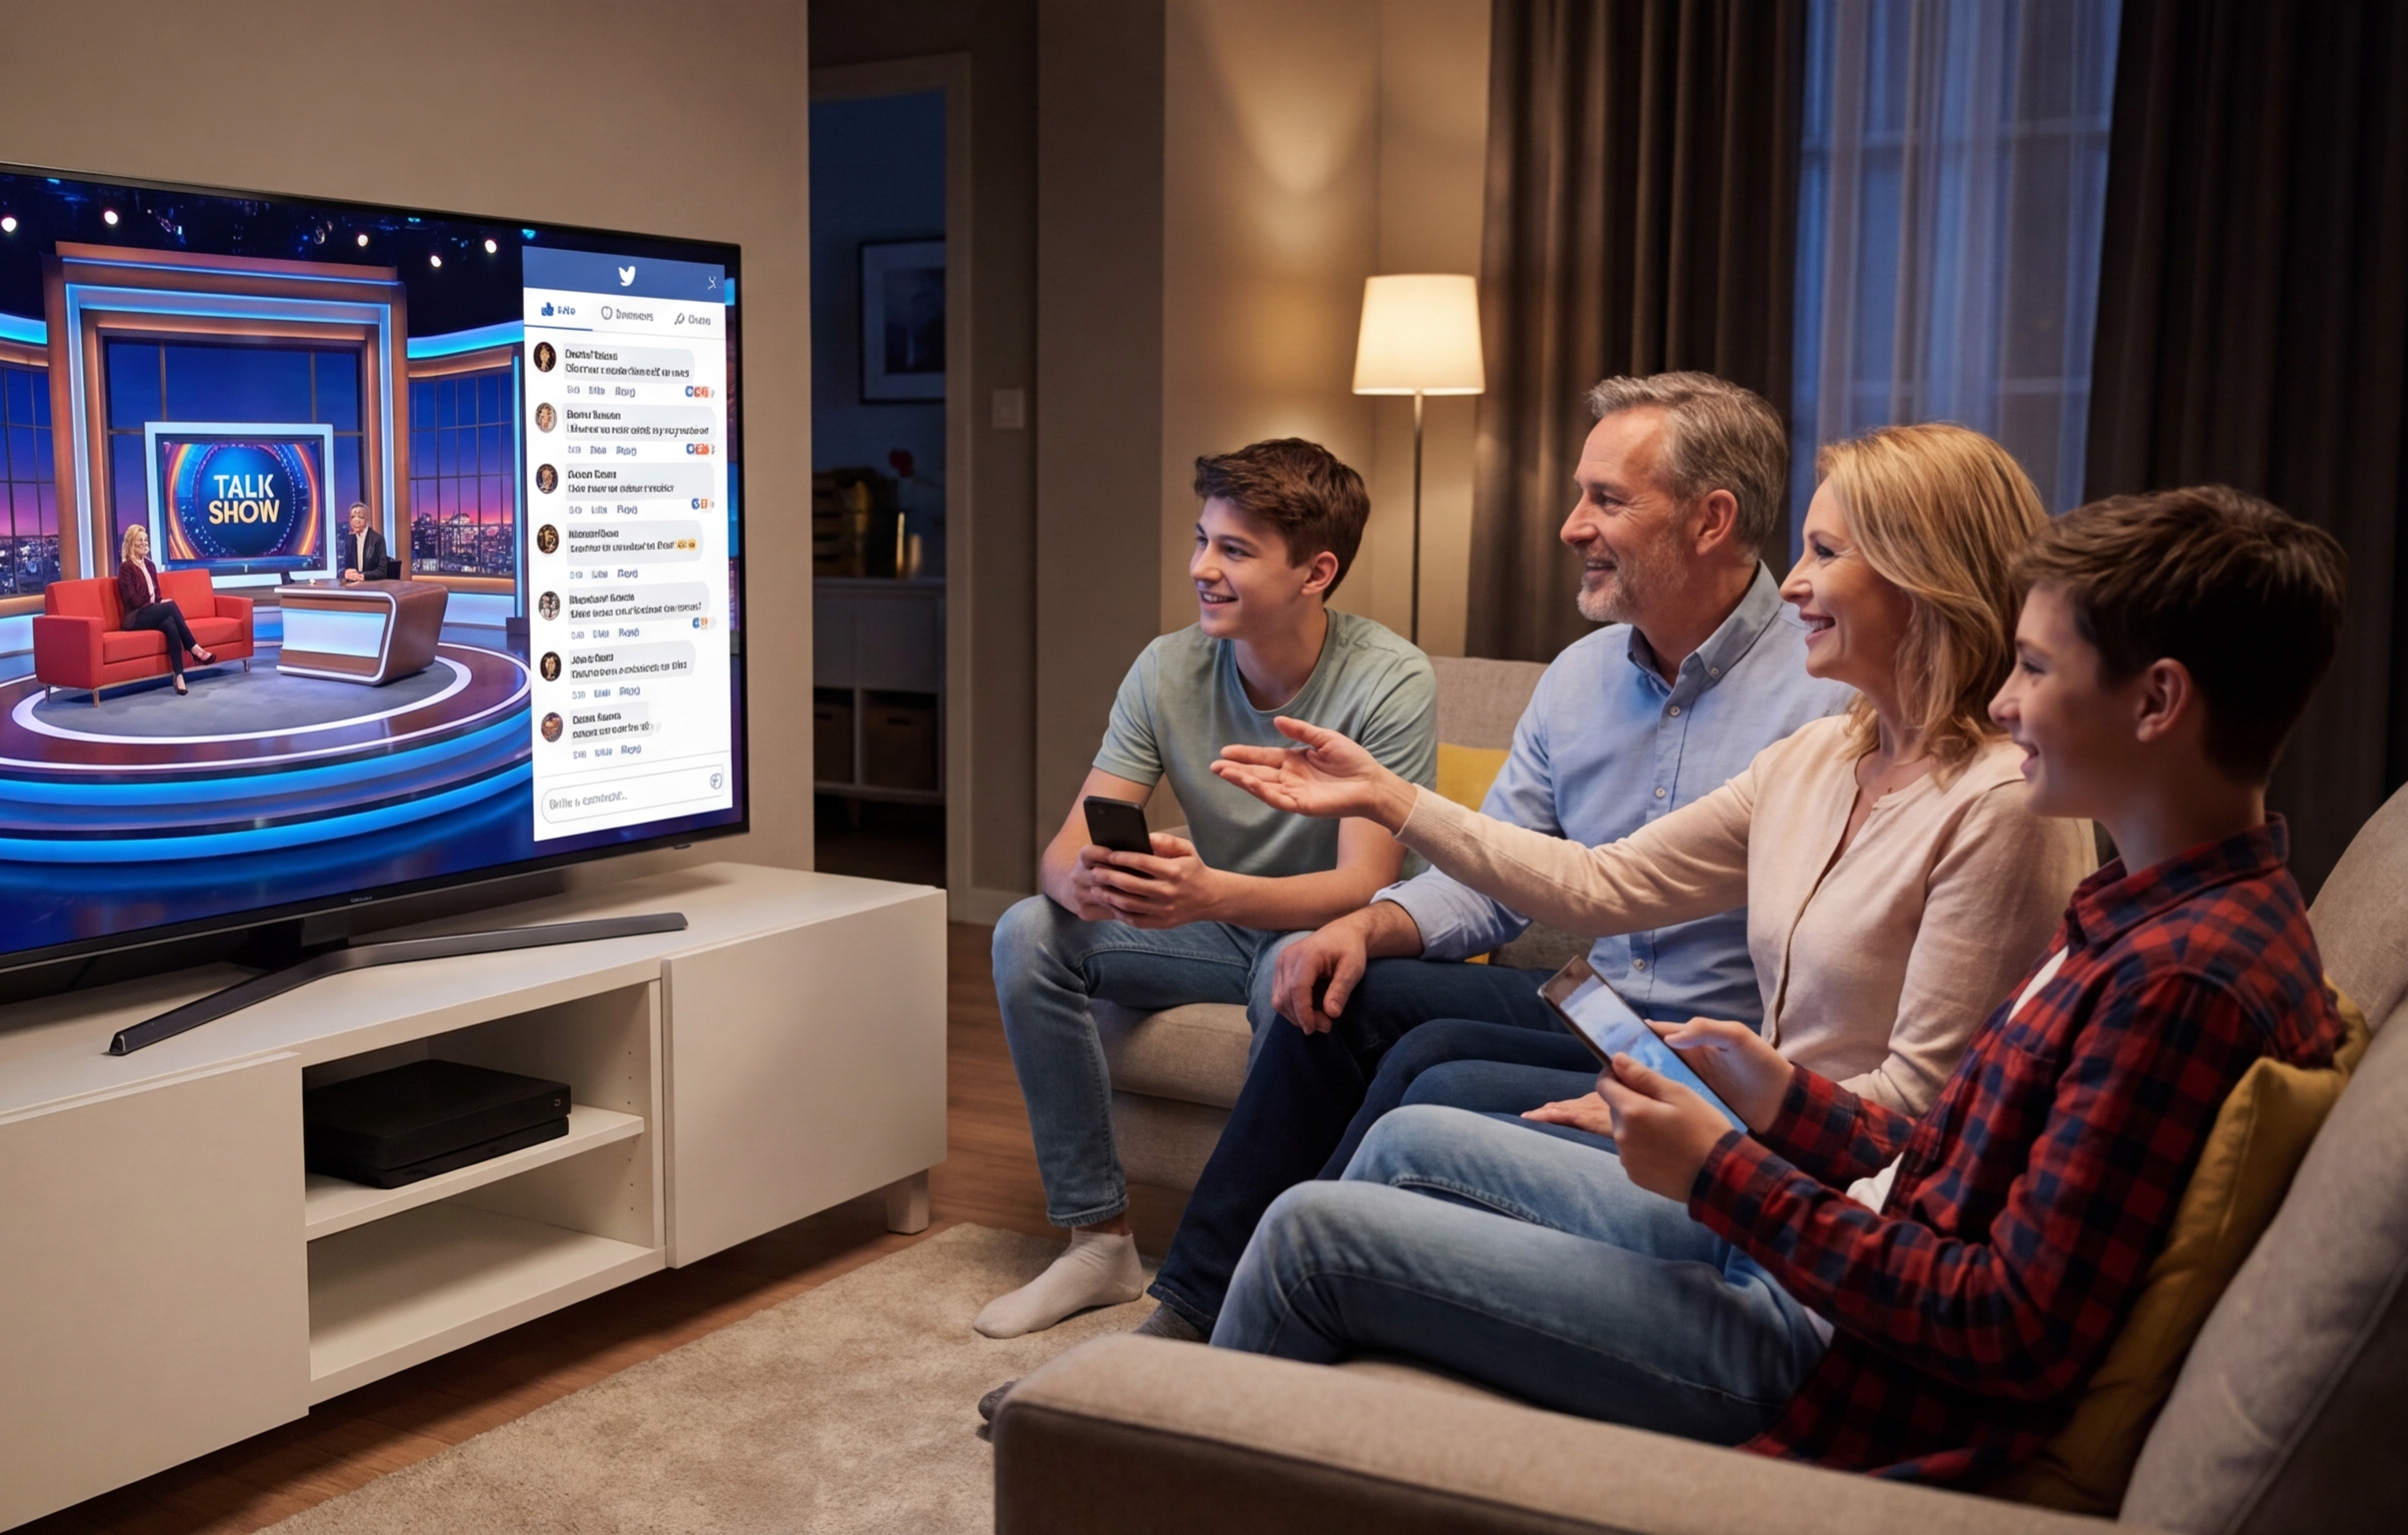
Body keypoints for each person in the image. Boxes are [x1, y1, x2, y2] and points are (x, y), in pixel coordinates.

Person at [1203, 485, 2349, 1484]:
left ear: (2154, 704)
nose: (2006, 702)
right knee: (1409, 1136)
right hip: (1824, 1245)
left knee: (1313, 1231)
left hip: (1826, 1347)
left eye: (2038, 669)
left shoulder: (2176, 979)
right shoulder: (2143, 918)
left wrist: (1723, 1174)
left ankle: (1154, 1448)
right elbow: (1945, 1157)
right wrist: (1771, 1100)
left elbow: (2003, 1328)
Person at [1133, 374, 1855, 1344]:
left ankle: (1316, 1302)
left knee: (1431, 1062)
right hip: (1589, 1008)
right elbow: (1489, 882)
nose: (1568, 526)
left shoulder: (1824, 698)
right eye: (1577, 494)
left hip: (1709, 1046)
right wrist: (1362, 923)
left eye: (1605, 499)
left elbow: (1829, 978)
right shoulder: (1575, 680)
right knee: (1343, 992)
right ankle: (1198, 1308)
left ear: (1709, 520)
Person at [973, 439, 1436, 1340]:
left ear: (1317, 571)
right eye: (1201, 541)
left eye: (1234, 550)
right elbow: (1062, 850)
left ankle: (1261, 1267)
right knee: (1027, 931)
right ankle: (1097, 1241)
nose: (1201, 569)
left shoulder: (1390, 678)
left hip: (1336, 931)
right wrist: (1093, 880)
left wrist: (1209, 893)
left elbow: (1361, 882)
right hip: (1213, 919)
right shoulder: (1166, 667)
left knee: (1292, 989)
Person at [114, 524, 213, 696]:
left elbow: (157, 594)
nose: (145, 544)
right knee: (171, 606)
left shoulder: (150, 565)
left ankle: (179, 676)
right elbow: (132, 600)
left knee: (170, 624)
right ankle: (194, 648)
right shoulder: (125, 569)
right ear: (131, 543)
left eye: (146, 540)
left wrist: (158, 603)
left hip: (150, 611)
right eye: (140, 541)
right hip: (135, 617)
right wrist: (158, 605)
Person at [340, 503, 387, 586]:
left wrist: (363, 576)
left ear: (367, 519)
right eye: (352, 517)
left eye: (360, 517)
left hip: (373, 586)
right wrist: (345, 573)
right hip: (353, 586)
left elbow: (382, 571)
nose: (356, 520)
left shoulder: (377, 539)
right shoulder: (349, 540)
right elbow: (343, 567)